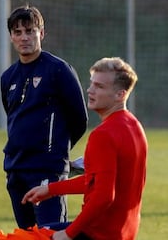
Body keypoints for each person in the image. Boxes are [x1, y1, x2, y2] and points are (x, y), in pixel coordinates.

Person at [21, 57, 148, 240]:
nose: (90, 90)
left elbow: (103, 196)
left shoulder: (102, 135)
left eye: (99, 86)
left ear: (120, 94)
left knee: (18, 237)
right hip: (122, 232)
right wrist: (50, 190)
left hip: (97, 233)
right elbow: (97, 182)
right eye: (91, 84)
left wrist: (68, 234)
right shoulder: (135, 127)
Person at [0, 4, 88, 229]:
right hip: (16, 169)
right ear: (11, 36)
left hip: (47, 169)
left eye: (30, 31)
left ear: (42, 33)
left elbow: (79, 119)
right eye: (18, 32)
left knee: (50, 232)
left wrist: (56, 151)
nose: (24, 37)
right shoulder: (8, 77)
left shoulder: (59, 70)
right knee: (27, 234)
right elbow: (14, 118)